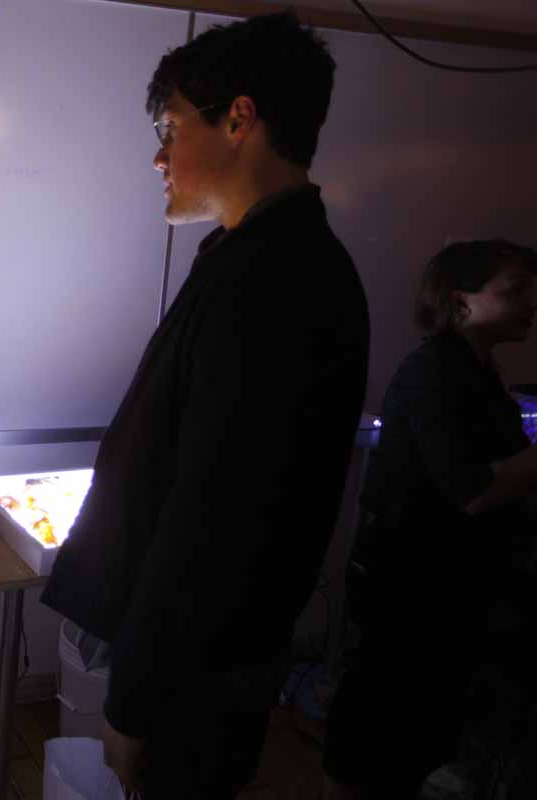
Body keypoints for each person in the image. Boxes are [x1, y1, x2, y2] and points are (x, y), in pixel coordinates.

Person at [40, 13, 370, 798]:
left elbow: (212, 524)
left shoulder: (276, 280)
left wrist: (135, 700)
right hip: (201, 660)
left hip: (200, 671)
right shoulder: (248, 255)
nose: (159, 155)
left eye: (170, 127)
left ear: (239, 119)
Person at [323, 240, 537, 800]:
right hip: (411, 583)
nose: (530, 302)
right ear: (460, 302)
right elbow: (473, 490)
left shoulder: (478, 369)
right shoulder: (434, 372)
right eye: (515, 290)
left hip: (445, 584)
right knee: (384, 720)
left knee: (416, 722)